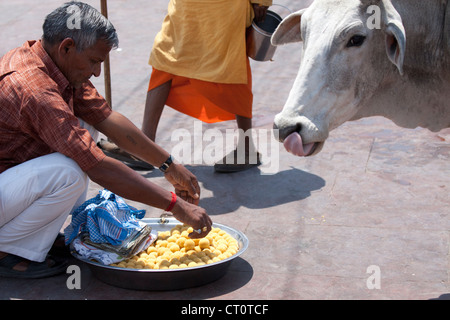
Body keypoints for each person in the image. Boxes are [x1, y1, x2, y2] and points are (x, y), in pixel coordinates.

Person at [0, 2, 212, 279]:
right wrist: (176, 205)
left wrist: (170, 166)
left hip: (10, 181)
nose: (97, 72)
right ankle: (7, 250)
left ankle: (36, 237)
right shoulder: (34, 87)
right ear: (67, 47)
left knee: (85, 132)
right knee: (69, 171)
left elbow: (107, 119)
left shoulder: (55, 63)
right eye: (94, 61)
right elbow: (96, 165)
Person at [100, 0, 273, 173]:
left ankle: (247, 148)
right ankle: (146, 146)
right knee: (164, 59)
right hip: (185, 7)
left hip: (225, 8)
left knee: (229, 69)